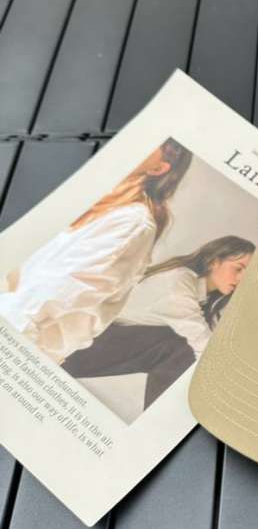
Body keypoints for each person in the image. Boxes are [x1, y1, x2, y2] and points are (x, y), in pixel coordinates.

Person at [0, 139, 192, 364]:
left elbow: (55, 294)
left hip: (18, 343)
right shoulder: (95, 197)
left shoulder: (133, 223)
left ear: (158, 168)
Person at [62, 236, 255, 410]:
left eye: (247, 274)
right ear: (214, 261)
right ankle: (158, 416)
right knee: (184, 347)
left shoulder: (203, 297)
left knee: (185, 347)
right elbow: (201, 343)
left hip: (108, 344)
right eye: (238, 269)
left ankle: (160, 414)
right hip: (87, 348)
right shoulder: (179, 281)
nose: (241, 279)